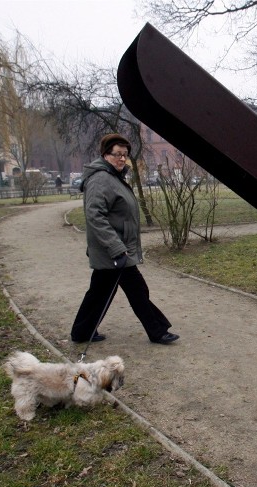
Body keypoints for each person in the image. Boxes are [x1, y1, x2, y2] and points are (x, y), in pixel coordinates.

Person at [70, 133, 179, 346]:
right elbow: (95, 217)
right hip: (115, 252)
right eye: (117, 154)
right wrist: (116, 248)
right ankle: (157, 331)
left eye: (125, 155)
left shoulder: (112, 176)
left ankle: (82, 331)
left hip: (116, 250)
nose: (122, 159)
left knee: (99, 293)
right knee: (138, 291)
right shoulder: (101, 179)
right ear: (105, 154)